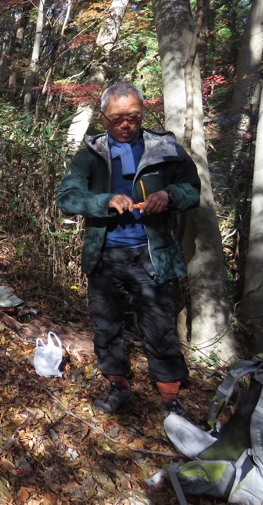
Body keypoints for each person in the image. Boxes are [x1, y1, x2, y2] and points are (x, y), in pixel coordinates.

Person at [56, 82, 201, 416]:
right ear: (104, 116)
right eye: (117, 118)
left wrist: (169, 196)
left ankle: (169, 397)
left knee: (159, 325)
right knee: (107, 324)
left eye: (133, 117)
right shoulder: (91, 153)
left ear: (142, 113)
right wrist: (105, 200)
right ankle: (117, 383)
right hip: (105, 254)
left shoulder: (163, 148)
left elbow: (192, 190)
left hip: (152, 253)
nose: (126, 124)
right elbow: (67, 198)